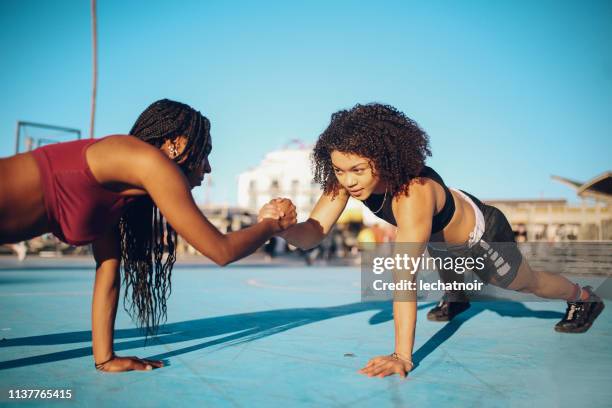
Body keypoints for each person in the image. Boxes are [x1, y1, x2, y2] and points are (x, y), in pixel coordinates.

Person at [262, 103, 604, 378]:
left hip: (481, 236)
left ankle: (584, 297)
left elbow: (403, 279)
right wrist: (282, 226)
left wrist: (401, 355)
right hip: (441, 236)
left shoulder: (413, 195)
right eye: (339, 170)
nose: (347, 181)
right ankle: (457, 298)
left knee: (522, 282)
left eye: (358, 170)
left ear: (384, 159)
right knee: (438, 251)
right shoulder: (346, 181)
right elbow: (311, 235)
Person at [0, 99, 296, 372]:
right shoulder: (148, 162)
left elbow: (108, 272)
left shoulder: (116, 195)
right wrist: (271, 225)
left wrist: (106, 359)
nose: (208, 167)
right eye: (204, 152)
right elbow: (220, 250)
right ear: (174, 143)